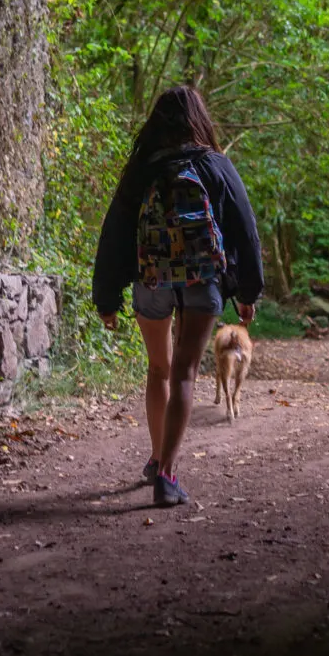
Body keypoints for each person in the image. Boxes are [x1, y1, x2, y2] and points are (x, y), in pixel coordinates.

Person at [92, 85, 263, 507]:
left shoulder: (141, 170)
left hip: (151, 281)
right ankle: (167, 475)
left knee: (159, 369)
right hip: (202, 281)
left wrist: (106, 296)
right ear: (199, 119)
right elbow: (245, 228)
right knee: (185, 371)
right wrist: (247, 290)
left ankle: (155, 455)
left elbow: (114, 232)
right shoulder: (216, 165)